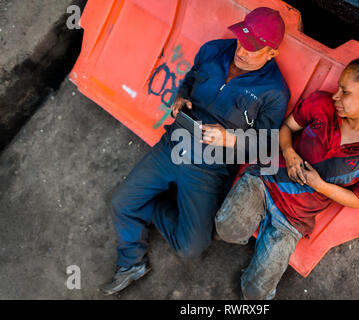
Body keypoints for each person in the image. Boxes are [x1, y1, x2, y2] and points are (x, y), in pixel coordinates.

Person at [99, 7, 290, 295]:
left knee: (190, 247)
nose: (241, 51)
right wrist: (180, 98)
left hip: (209, 167)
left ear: (271, 53)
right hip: (175, 142)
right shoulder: (213, 50)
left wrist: (229, 138)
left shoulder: (274, 92)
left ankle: (152, 204)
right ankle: (131, 262)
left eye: (253, 49)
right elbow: (188, 80)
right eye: (241, 40)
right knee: (121, 203)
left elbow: (265, 146)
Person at [215, 55, 359, 300]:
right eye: (338, 89)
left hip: (295, 217)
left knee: (255, 294)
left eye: (345, 92)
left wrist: (320, 185)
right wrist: (289, 152)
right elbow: (287, 128)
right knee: (227, 229)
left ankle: (266, 236)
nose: (336, 96)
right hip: (265, 181)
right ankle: (257, 220)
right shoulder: (321, 104)